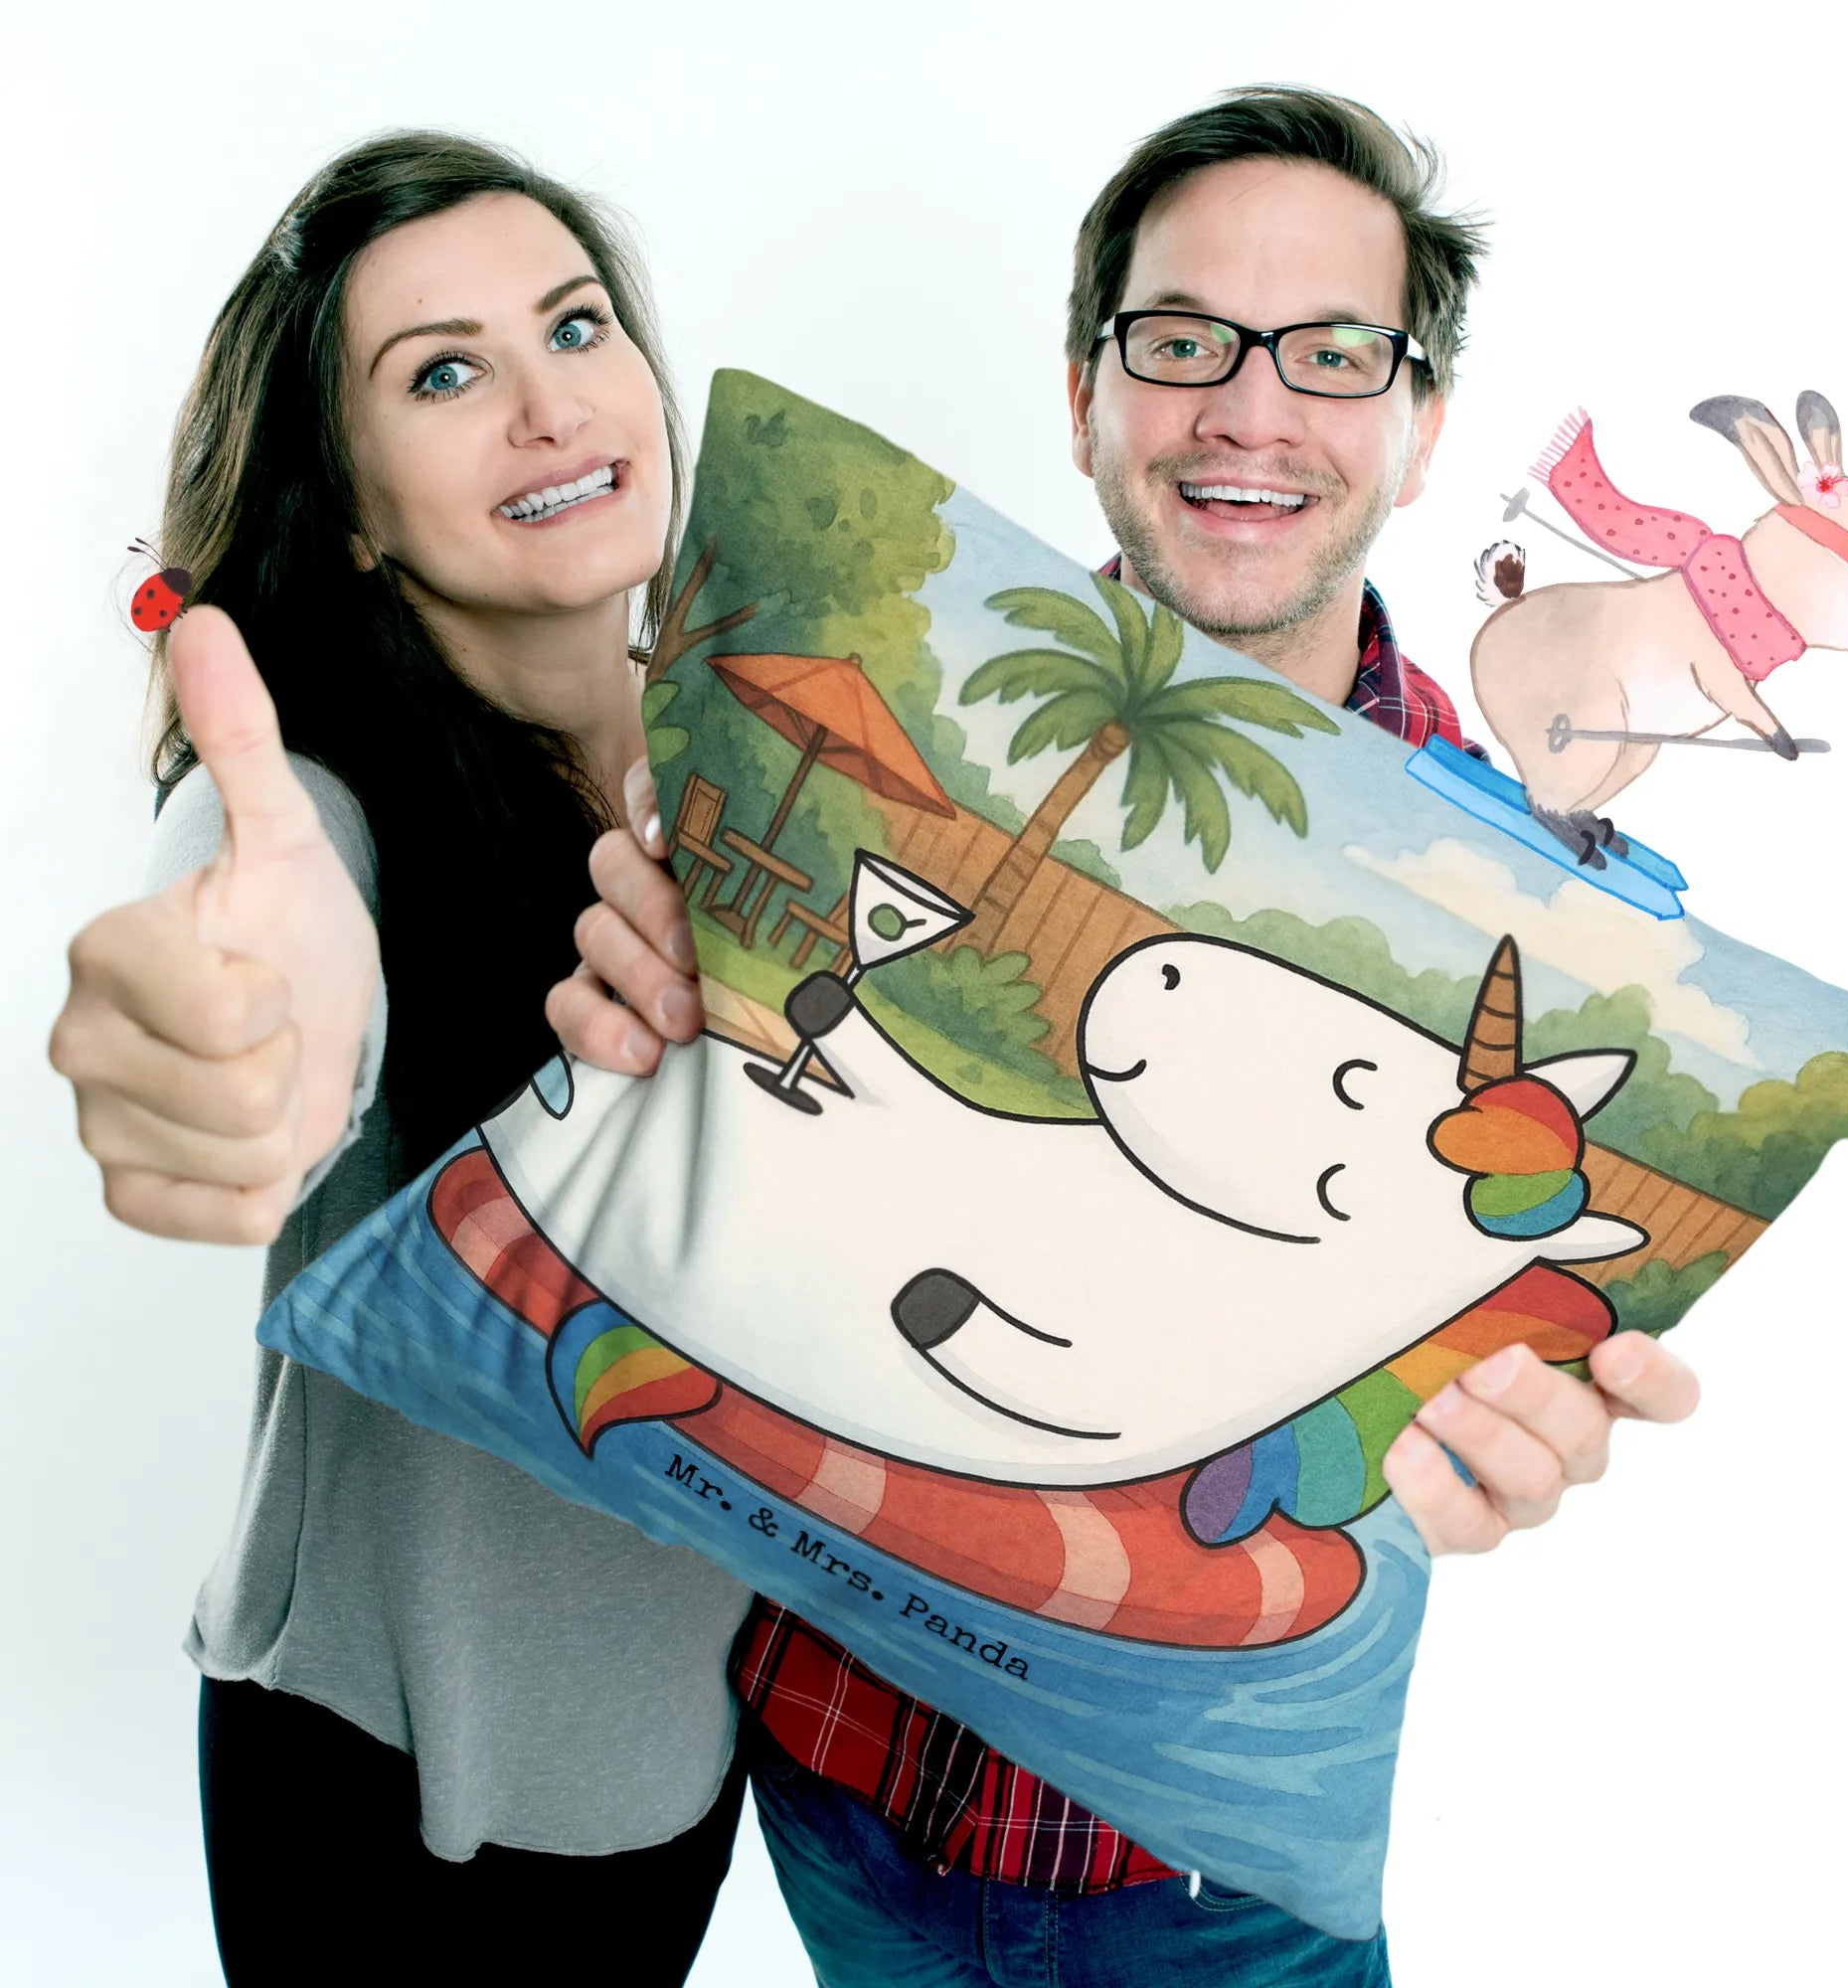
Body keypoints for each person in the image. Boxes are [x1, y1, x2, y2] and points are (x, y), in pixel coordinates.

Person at [552, 86, 1704, 1985]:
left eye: (1334, 353)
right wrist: (644, 1024)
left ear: (1420, 430)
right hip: (830, 1787)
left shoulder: (1544, 926)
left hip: (1216, 1885)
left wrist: (1515, 1424)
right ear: (1085, 393)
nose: (1252, 409)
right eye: (1183, 342)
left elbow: (1468, 1354)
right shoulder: (878, 726)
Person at [46, 134, 752, 1984]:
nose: (547, 406)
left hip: (680, 1752)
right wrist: (229, 1024)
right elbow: (262, 922)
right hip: (391, 1791)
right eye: (443, 373)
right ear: (353, 510)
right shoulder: (319, 802)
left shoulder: (753, 773)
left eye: (575, 327)